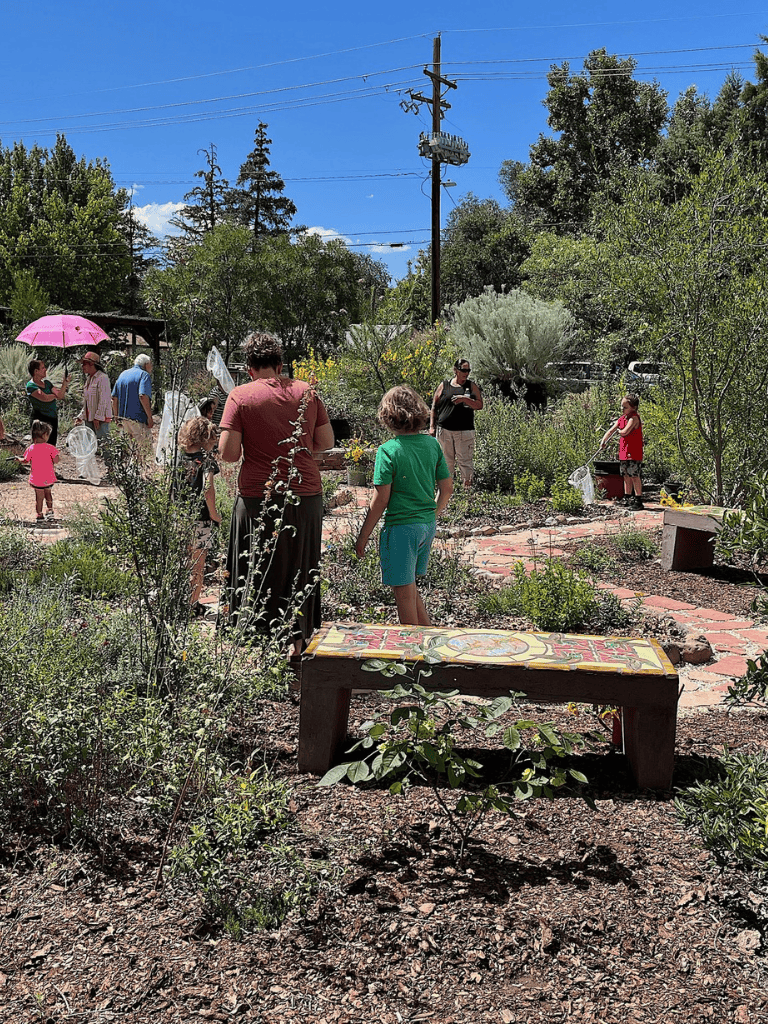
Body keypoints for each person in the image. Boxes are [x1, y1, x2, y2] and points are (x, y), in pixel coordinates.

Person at [218, 332, 334, 656]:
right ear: (281, 364)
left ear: (249, 367)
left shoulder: (239, 396)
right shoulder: (307, 392)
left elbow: (228, 453)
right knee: (300, 570)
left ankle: (258, 649)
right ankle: (298, 648)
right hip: (306, 497)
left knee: (256, 569)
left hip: (257, 498)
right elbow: (326, 443)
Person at [356, 385, 454, 626]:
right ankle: (430, 639)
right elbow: (448, 488)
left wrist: (363, 537)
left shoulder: (388, 451)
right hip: (426, 527)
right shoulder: (432, 445)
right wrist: (432, 513)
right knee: (409, 587)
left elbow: (381, 501)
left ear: (388, 417)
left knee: (402, 593)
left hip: (400, 530)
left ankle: (412, 657)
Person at [177, 416, 221, 614]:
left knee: (182, 562)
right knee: (197, 565)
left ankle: (178, 601)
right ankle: (192, 605)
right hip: (200, 518)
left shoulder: (177, 458)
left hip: (178, 517)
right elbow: (207, 488)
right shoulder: (206, 460)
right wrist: (214, 514)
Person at [429, 357, 483, 489]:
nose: (466, 373)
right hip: (445, 430)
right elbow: (434, 406)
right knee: (446, 462)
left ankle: (467, 491)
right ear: (455, 370)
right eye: (463, 370)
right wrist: (432, 427)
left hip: (464, 431)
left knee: (465, 462)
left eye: (468, 370)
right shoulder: (445, 385)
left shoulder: (471, 386)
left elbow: (479, 405)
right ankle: (446, 492)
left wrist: (465, 399)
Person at [600, 394, 644, 510]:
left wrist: (619, 431)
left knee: (634, 475)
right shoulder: (621, 419)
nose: (622, 409)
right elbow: (610, 431)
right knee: (626, 476)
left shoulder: (634, 418)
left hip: (634, 453)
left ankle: (638, 499)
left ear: (633, 408)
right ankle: (627, 497)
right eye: (622, 407)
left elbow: (625, 431)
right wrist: (604, 440)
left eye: (625, 407)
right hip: (624, 453)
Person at [16, 419, 60, 521]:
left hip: (36, 479)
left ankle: (39, 514)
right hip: (48, 478)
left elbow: (25, 461)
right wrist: (57, 456)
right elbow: (56, 460)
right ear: (45, 435)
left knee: (39, 498)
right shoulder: (51, 448)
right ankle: (50, 511)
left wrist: (18, 459)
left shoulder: (30, 448)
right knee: (48, 494)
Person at [111, 353, 154, 451]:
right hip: (138, 420)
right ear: (146, 364)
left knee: (130, 451)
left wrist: (116, 417)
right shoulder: (144, 375)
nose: (151, 367)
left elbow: (114, 397)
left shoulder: (123, 374)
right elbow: (143, 396)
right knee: (144, 452)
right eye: (150, 364)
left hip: (124, 420)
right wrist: (149, 417)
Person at [25, 359, 69, 447]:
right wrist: (54, 395)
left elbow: (60, 396)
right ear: (36, 371)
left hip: (52, 418)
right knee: (39, 446)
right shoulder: (31, 386)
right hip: (40, 420)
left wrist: (65, 383)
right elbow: (45, 398)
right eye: (43, 368)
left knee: (51, 445)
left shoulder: (47, 383)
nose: (45, 369)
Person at [75, 351, 112, 441]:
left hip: (100, 420)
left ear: (91, 364)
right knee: (91, 446)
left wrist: (98, 417)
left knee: (103, 445)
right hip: (89, 417)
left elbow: (104, 399)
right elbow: (87, 401)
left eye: (84, 364)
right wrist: (81, 416)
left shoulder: (102, 378)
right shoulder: (89, 379)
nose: (82, 367)